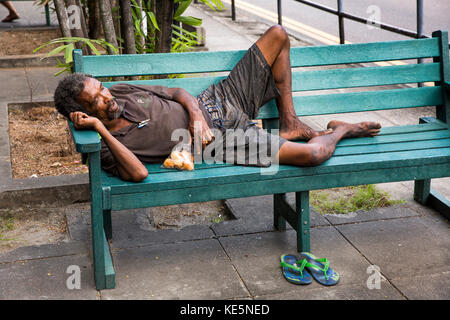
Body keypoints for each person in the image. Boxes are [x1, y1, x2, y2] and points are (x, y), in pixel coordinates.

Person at [54, 25, 381, 182]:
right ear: (80, 114)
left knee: (278, 35)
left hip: (218, 99)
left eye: (102, 88)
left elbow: (173, 93)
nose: (107, 96)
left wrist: (195, 113)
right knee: (314, 154)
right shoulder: (109, 149)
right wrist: (99, 128)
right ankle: (341, 130)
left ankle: (290, 121)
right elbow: (139, 174)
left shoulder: (121, 91)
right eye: (96, 99)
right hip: (223, 144)